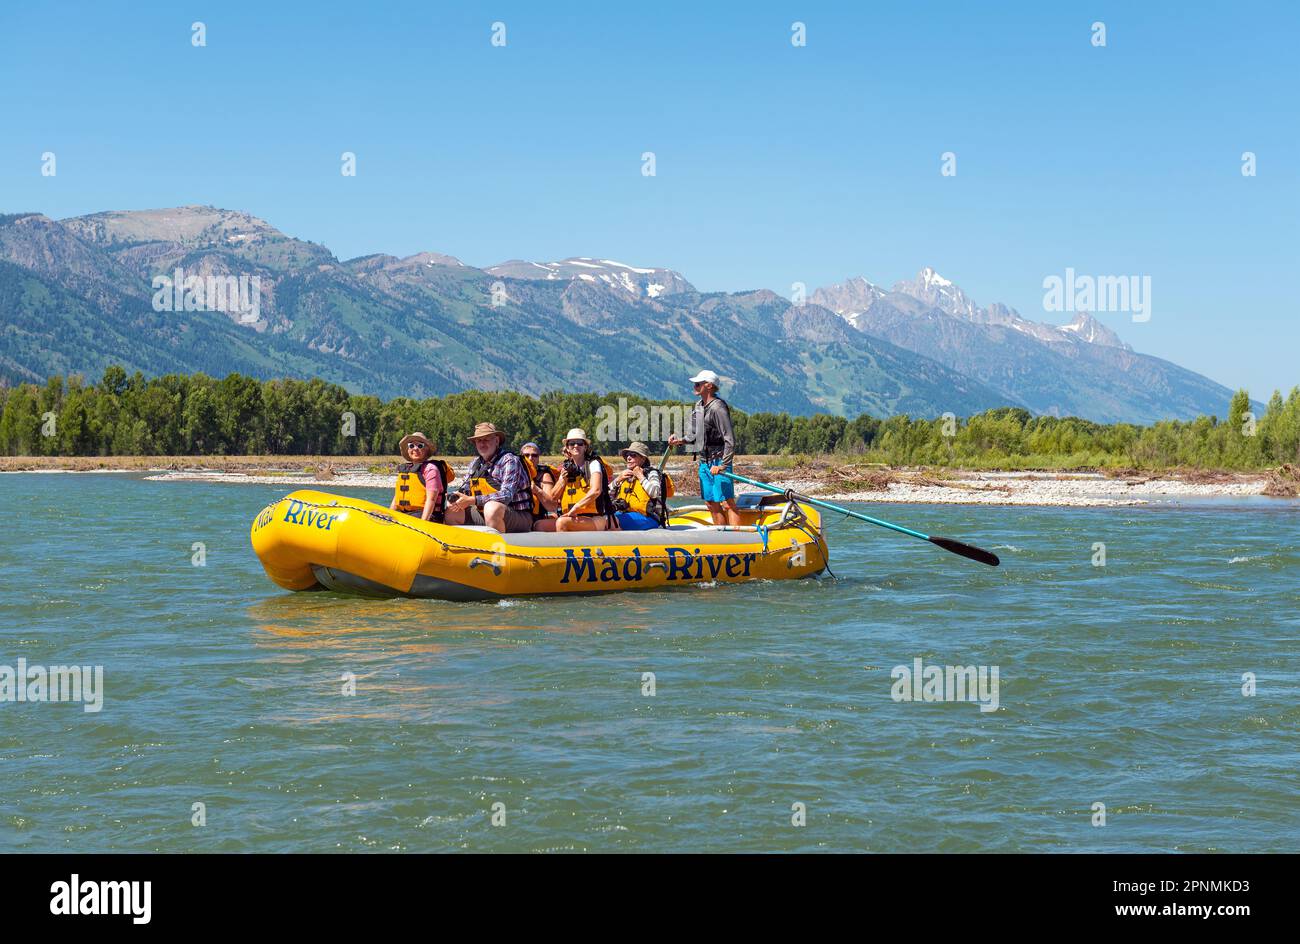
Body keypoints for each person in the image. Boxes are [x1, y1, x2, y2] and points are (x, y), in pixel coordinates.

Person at [668, 369, 740, 526]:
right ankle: (720, 538)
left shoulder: (718, 408)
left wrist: (723, 465)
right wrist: (679, 441)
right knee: (710, 503)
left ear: (709, 385)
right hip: (704, 462)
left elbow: (730, 440)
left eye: (698, 383)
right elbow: (694, 436)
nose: (694, 386)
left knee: (727, 503)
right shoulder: (699, 406)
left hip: (719, 460)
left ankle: (737, 538)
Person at [442, 422, 535, 533]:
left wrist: (472, 500)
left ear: (496, 441)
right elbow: (465, 490)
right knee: (451, 512)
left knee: (491, 508)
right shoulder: (475, 464)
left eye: (486, 439)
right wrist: (455, 499)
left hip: (517, 515)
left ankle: (498, 548)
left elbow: (507, 495)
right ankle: (464, 546)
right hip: (485, 513)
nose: (482, 444)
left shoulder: (509, 460)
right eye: (479, 440)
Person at [537, 428, 615, 532]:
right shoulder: (567, 468)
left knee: (562, 522)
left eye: (580, 443)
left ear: (585, 446)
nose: (576, 446)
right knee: (539, 525)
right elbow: (553, 498)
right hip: (571, 516)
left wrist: (577, 507)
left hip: (594, 518)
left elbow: (596, 490)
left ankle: (565, 548)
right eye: (572, 443)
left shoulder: (593, 464)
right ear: (567, 448)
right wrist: (562, 481)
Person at [609, 441, 674, 530]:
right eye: (627, 454)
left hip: (649, 518)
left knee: (610, 521)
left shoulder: (652, 473)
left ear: (643, 459)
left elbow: (654, 492)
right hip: (627, 514)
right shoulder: (625, 476)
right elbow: (605, 496)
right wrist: (617, 480)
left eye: (633, 455)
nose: (628, 457)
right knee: (604, 517)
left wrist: (640, 476)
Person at [389, 432, 451, 522]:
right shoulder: (405, 470)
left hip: (424, 516)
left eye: (420, 446)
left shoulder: (431, 469)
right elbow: (396, 499)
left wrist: (422, 524)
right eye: (411, 446)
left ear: (426, 450)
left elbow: (431, 499)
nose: (415, 449)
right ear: (408, 449)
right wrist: (389, 516)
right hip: (404, 514)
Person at [519, 441, 560, 522]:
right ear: (521, 457)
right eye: (526, 455)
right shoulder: (514, 472)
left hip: (537, 518)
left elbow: (552, 506)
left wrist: (537, 490)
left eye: (534, 455)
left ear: (538, 458)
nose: (530, 458)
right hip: (519, 515)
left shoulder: (544, 475)